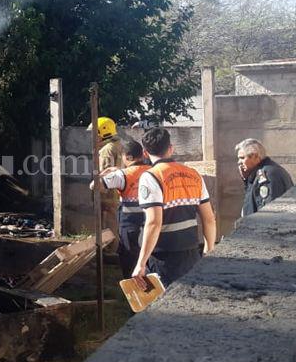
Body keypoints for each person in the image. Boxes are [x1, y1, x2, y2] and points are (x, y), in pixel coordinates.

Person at [133, 128, 217, 289]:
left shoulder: (151, 177)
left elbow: (153, 223)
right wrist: (209, 250)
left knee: (163, 304)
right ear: (171, 148)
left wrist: (141, 263)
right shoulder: (194, 174)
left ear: (144, 152)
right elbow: (209, 218)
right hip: (191, 252)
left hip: (163, 256)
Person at [96, 141, 150, 279]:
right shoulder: (152, 170)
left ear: (129, 157)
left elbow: (94, 186)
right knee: (147, 252)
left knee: (128, 255)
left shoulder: (123, 174)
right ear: (142, 154)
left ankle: (131, 285)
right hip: (151, 220)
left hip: (130, 222)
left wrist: (106, 172)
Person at [236, 138, 294, 217]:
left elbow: (267, 212)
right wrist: (247, 180)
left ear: (255, 156)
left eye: (242, 158)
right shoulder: (262, 172)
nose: (239, 162)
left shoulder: (267, 175)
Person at [91, 117, 123, 247]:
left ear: (103, 133)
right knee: (114, 221)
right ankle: (114, 249)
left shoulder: (106, 150)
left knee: (106, 223)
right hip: (117, 192)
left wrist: (96, 189)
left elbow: (105, 173)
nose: (93, 136)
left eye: (95, 132)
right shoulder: (118, 145)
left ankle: (109, 251)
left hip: (107, 195)